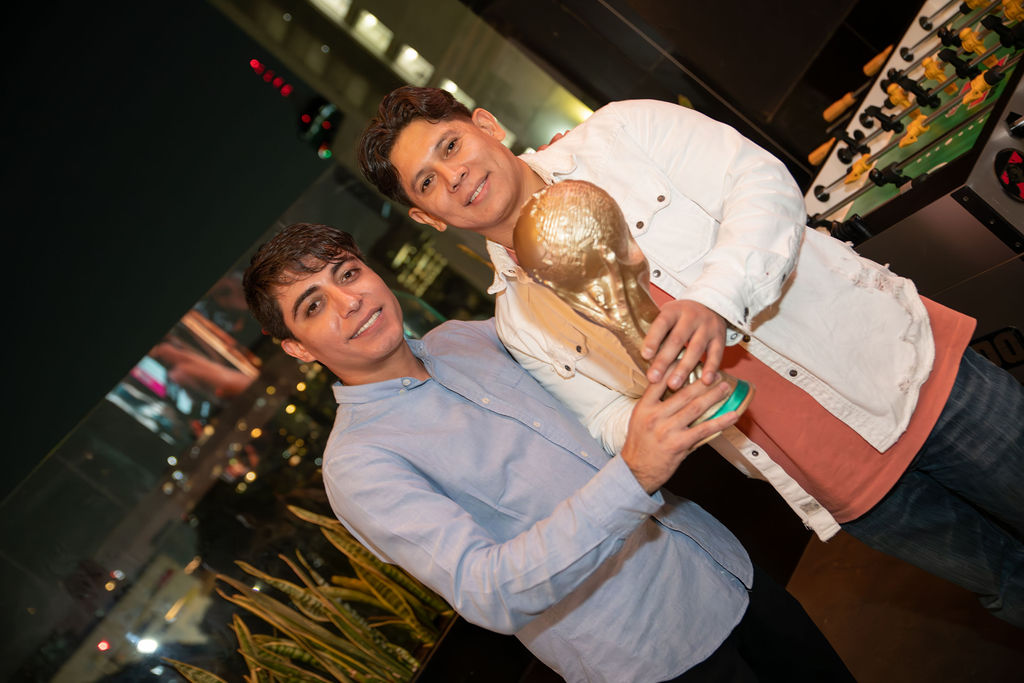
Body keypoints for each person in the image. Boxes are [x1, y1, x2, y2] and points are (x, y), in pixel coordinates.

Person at [357, 86, 1024, 627]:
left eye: (451, 145)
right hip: (828, 474)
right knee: (1005, 583)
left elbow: (762, 185)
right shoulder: (518, 321)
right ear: (427, 218)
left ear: (486, 124)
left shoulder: (622, 133)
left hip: (904, 372)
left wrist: (712, 301)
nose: (455, 175)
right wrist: (658, 415)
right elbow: (605, 418)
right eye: (428, 181)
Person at [242, 223, 854, 682]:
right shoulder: (359, 463)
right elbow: (489, 590)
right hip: (654, 658)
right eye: (313, 305)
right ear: (296, 347)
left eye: (347, 273)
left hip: (723, 569)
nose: (348, 301)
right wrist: (634, 474)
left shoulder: (463, 339)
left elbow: (590, 368)